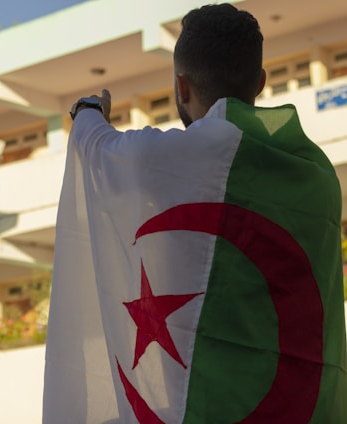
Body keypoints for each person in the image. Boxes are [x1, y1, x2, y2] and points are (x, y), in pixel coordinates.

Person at [43, 3, 347, 423]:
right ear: (259, 83)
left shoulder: (177, 160)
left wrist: (87, 110)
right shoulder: (317, 176)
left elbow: (102, 151)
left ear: (181, 88)